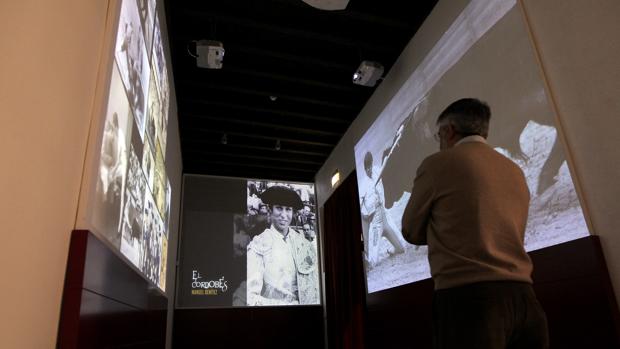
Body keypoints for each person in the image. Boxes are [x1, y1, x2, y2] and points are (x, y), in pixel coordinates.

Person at [401, 98, 549, 349]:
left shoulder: (437, 164)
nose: (439, 141)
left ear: (448, 131)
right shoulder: (513, 169)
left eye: (438, 134)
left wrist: (445, 228)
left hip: (468, 300)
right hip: (526, 298)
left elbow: (410, 230)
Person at [246, 185, 320, 306]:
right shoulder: (258, 245)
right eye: (279, 208)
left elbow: (314, 288)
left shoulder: (303, 243)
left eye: (288, 209)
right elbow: (250, 297)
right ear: (270, 210)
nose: (284, 215)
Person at [360, 151, 405, 267]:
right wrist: (370, 208)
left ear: (372, 164)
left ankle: (392, 249)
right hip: (375, 222)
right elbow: (362, 211)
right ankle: (365, 260)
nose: (369, 170)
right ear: (364, 169)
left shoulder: (377, 171)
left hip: (386, 216)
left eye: (370, 166)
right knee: (372, 262)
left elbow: (386, 163)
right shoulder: (363, 185)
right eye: (367, 168)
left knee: (401, 247)